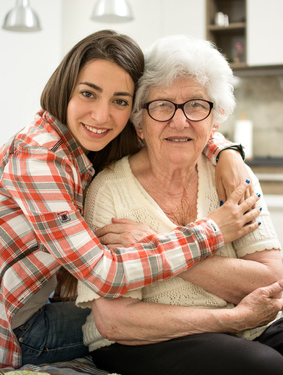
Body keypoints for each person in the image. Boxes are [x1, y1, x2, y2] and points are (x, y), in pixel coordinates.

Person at [0, 29, 258, 369]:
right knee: (127, 324)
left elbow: (174, 125)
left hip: (38, 302)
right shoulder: (38, 159)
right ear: (65, 89)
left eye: (120, 101)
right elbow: (103, 273)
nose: (102, 115)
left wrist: (226, 151)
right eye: (89, 94)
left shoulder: (83, 141)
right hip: (18, 328)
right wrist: (212, 231)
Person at [77, 35, 283, 375]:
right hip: (147, 339)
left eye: (196, 105)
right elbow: (115, 319)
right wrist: (232, 319)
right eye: (161, 105)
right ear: (139, 123)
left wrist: (157, 246)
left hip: (251, 325)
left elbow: (272, 279)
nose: (179, 121)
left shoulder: (231, 175)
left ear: (215, 120)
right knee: (264, 367)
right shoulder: (108, 190)